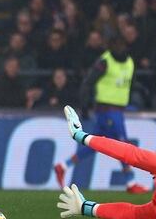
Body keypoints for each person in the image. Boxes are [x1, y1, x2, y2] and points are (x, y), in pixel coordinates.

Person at [53, 37, 149, 194]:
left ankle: (63, 166)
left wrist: (139, 89)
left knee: (95, 144)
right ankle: (131, 182)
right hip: (107, 110)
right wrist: (84, 106)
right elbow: (88, 82)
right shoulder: (105, 62)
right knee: (123, 144)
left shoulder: (130, 62)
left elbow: (126, 83)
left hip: (117, 109)